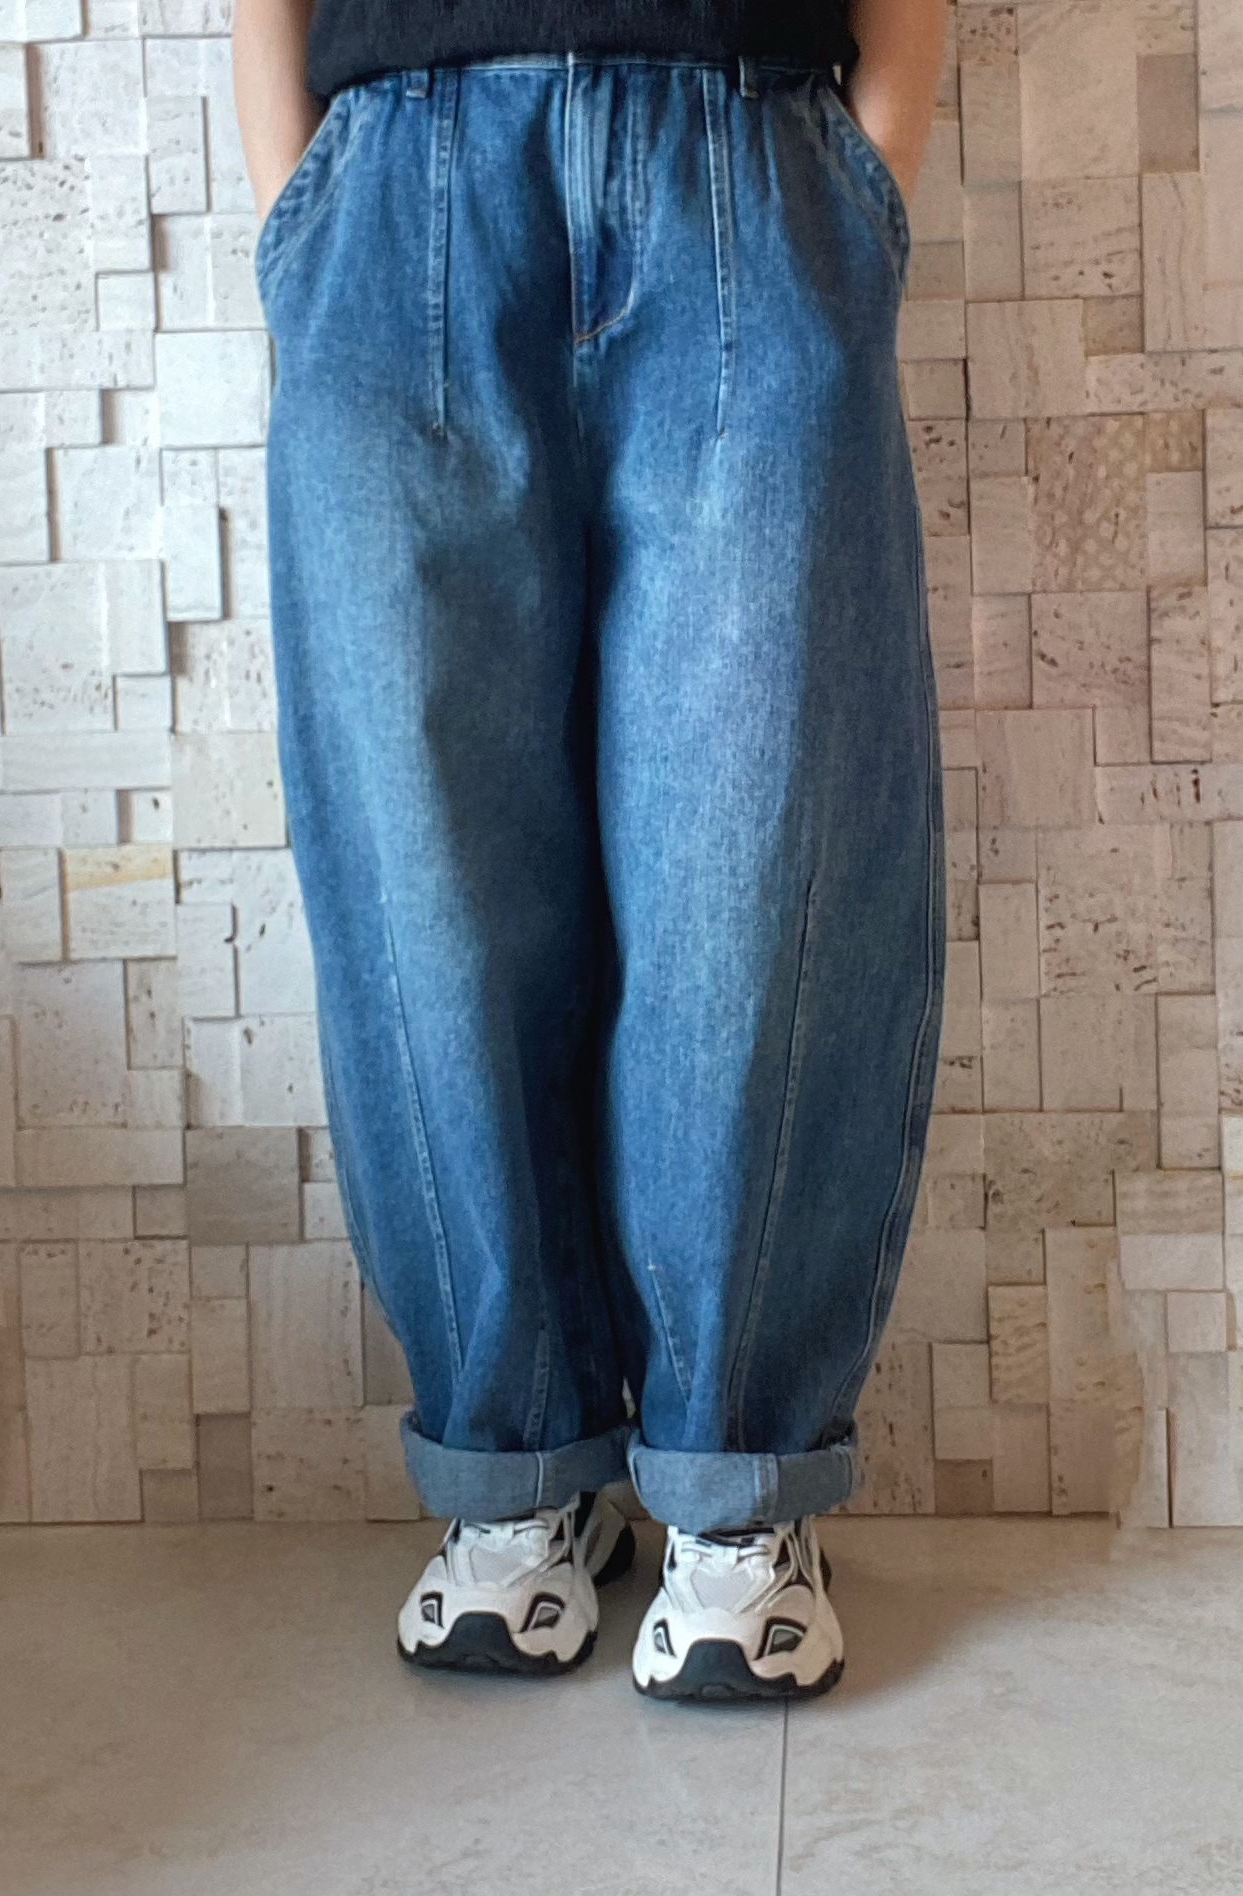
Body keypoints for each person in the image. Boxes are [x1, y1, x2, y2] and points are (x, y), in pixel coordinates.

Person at [232, 0, 948, 1703]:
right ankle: (515, 1470)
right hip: (394, 179)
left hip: (746, 153)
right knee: (424, 866)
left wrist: (863, 175)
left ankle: (738, 1484)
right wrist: (300, 207)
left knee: (757, 850)